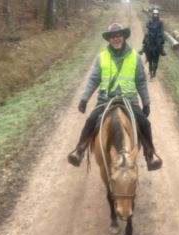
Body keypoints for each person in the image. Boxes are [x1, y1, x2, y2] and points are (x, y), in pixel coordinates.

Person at [67, 23, 162, 171]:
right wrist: (84, 99)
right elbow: (94, 79)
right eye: (113, 36)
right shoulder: (102, 57)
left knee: (145, 123)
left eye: (119, 36)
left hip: (129, 100)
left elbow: (141, 82)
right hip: (106, 99)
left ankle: (150, 155)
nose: (116, 39)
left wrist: (146, 102)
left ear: (123, 37)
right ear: (109, 39)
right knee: (91, 120)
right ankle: (80, 150)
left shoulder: (134, 57)